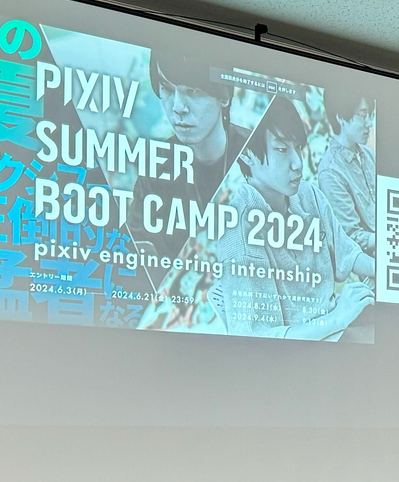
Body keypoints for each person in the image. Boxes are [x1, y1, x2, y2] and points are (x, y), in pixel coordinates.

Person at [214, 95, 374, 339]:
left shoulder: (309, 195)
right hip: (303, 350)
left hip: (339, 328)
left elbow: (349, 255)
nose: (297, 163)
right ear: (246, 154)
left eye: (298, 147)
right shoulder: (237, 229)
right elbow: (257, 341)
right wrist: (336, 319)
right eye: (281, 149)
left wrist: (387, 270)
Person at [130, 49, 251, 259]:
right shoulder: (156, 167)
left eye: (193, 91)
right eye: (167, 89)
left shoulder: (257, 151)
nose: (178, 107)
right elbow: (135, 251)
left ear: (223, 95)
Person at [318, 89, 376, 256]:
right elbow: (350, 237)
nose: (369, 123)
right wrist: (391, 238)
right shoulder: (330, 171)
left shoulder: (370, 155)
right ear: (341, 117)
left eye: (370, 115)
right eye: (363, 115)